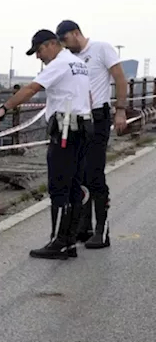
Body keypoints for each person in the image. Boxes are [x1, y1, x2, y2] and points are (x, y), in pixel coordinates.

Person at [0, 29, 92, 260]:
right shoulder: (78, 63)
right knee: (74, 187)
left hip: (66, 131)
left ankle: (59, 242)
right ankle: (69, 241)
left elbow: (31, 89)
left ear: (51, 44)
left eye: (39, 51)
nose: (38, 57)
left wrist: (4, 108)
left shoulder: (59, 63)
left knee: (59, 187)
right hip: (83, 128)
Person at [56, 20, 128, 249]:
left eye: (66, 40)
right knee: (80, 173)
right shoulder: (70, 58)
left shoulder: (101, 48)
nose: (66, 46)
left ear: (76, 33)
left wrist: (120, 111)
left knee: (95, 172)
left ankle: (102, 230)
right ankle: (83, 226)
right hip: (79, 117)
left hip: (99, 115)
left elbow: (119, 78)